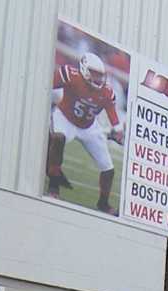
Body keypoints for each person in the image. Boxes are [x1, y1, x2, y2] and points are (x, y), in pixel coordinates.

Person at [47, 52, 124, 215]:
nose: (98, 78)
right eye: (94, 73)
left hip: (89, 127)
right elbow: (48, 85)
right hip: (65, 117)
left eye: (100, 75)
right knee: (58, 138)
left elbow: (113, 116)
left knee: (108, 169)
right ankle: (53, 186)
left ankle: (103, 203)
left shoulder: (106, 92)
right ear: (84, 69)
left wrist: (118, 131)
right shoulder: (70, 75)